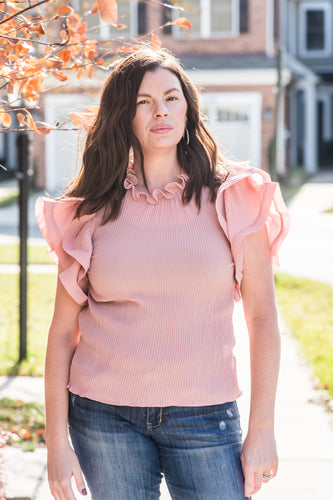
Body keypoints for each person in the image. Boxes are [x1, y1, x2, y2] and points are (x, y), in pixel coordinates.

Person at [35, 46, 290, 500]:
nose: (160, 111)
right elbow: (61, 335)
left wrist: (263, 429)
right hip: (103, 416)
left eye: (172, 98)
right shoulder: (87, 212)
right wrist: (56, 443)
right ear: (123, 115)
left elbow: (263, 318)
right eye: (143, 101)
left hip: (205, 415)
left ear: (188, 109)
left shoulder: (234, 197)